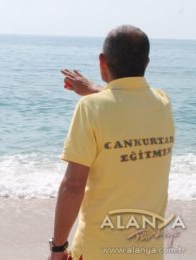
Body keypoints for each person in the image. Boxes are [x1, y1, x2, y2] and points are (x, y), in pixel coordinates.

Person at [49, 25, 175, 260]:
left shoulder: (91, 108)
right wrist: (96, 91)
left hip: (97, 249)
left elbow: (73, 186)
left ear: (102, 62)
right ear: (147, 63)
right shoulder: (163, 103)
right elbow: (130, 104)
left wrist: (58, 248)